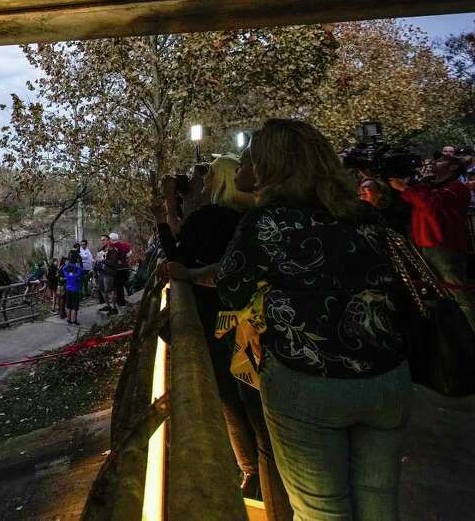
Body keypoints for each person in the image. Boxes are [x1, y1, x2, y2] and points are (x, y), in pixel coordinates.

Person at [216, 119, 409, 521]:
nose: (244, 166)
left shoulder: (267, 222)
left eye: (250, 159)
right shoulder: (365, 215)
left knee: (321, 511)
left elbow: (231, 290)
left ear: (270, 167)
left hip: (308, 379)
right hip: (387, 376)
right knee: (379, 504)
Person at [157, 155, 279, 507]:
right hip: (258, 322)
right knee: (257, 402)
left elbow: (181, 254)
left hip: (225, 322)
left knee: (234, 398)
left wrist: (168, 213)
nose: (202, 181)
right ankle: (265, 481)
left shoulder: (211, 217)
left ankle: (254, 477)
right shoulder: (250, 216)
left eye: (208, 175)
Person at [390, 153, 475, 329]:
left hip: (444, 247)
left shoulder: (457, 188)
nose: (434, 163)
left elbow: (430, 206)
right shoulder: (431, 187)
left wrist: (405, 189)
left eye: (441, 160)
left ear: (453, 167)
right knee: (436, 292)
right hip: (426, 245)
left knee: (458, 292)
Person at [108, 232, 131, 307]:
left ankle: (120, 302)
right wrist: (126, 257)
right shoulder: (123, 245)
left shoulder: (112, 246)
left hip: (117, 269)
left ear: (111, 239)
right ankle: (122, 300)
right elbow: (130, 251)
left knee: (117, 286)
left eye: (109, 239)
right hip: (125, 267)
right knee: (121, 285)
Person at [61, 256, 84, 325]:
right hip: (75, 291)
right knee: (74, 307)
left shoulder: (67, 274)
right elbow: (81, 270)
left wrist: (68, 264)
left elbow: (64, 268)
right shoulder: (76, 275)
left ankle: (69, 320)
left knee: (68, 306)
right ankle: (74, 321)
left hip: (68, 291)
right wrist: (76, 265)